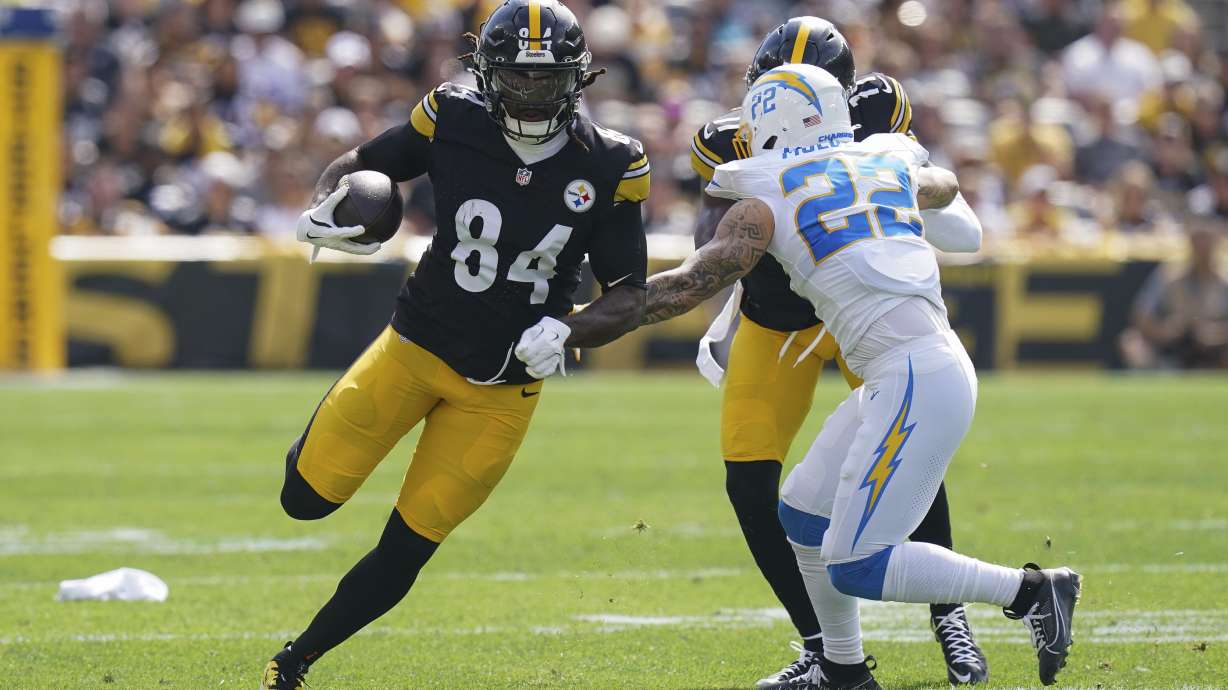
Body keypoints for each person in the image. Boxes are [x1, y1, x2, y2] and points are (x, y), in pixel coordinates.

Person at [521, 63, 1082, 690]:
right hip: (909, 370)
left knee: (857, 566)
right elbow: (945, 187)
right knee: (803, 518)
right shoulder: (884, 160)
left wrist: (576, 325)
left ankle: (1031, 591)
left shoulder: (766, 185)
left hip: (914, 378)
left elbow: (688, 286)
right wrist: (900, 170)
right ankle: (842, 669)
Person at [259, 1, 652, 687]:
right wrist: (330, 203)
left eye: (546, 80)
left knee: (407, 546)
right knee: (304, 499)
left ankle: (295, 660)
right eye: (518, 78)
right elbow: (363, 163)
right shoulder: (452, 115)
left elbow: (629, 293)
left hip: (502, 391)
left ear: (577, 79)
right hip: (415, 345)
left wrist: (569, 328)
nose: (530, 93)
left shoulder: (613, 161)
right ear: (487, 73)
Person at [684, 17, 987, 687]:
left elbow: (938, 209)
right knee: (750, 481)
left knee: (910, 452)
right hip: (779, 318)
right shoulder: (727, 141)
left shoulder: (879, 111)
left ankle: (950, 613)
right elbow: (719, 237)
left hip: (855, 313)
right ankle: (824, 648)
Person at [1120, 227, 1228, 369]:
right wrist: (1166, 330)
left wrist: (1215, 333)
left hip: (1216, 347)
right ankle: (1157, 384)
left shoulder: (1224, 279)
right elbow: (1141, 314)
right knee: (1132, 343)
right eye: (1198, 241)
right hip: (1173, 343)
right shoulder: (1170, 276)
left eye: (1207, 242)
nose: (1202, 248)